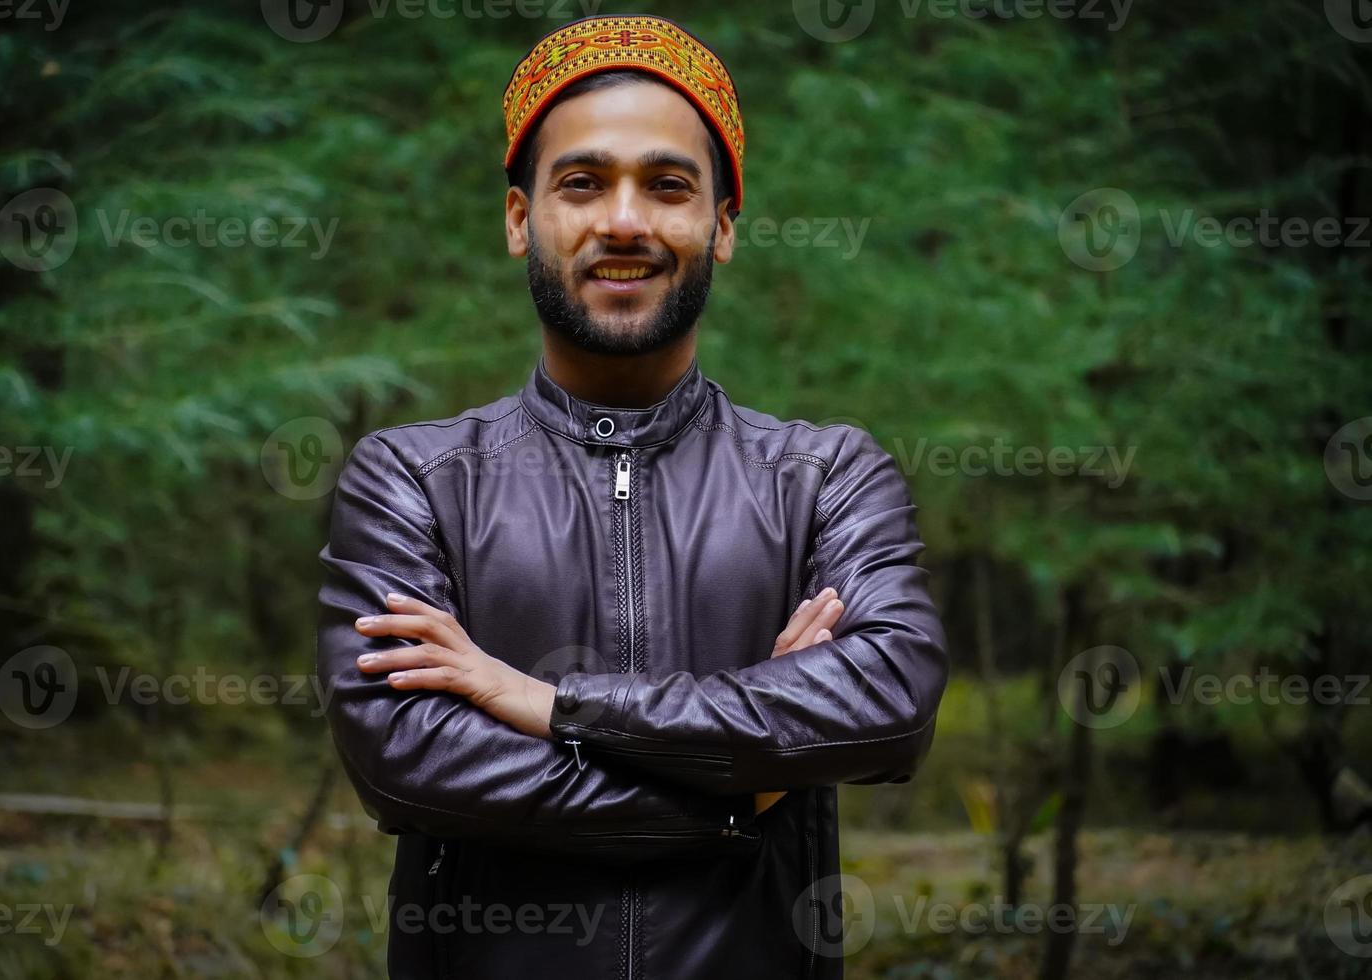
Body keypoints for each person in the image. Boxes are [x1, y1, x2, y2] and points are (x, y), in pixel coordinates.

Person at [316, 14, 949, 979]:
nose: (624, 220)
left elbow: (890, 704)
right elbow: (406, 765)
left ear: (722, 227)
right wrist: (747, 784)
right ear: (521, 218)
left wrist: (543, 701)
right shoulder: (413, 480)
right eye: (582, 182)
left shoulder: (826, 476)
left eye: (667, 185)